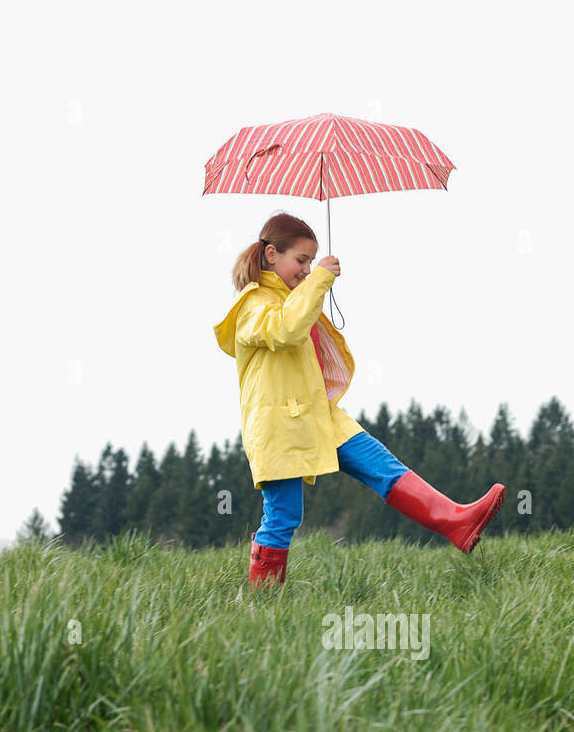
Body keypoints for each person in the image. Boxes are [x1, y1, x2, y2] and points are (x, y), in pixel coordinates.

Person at [213, 212, 505, 586]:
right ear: (271, 255)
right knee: (284, 514)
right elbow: (285, 330)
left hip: (317, 416)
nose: (306, 269)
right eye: (300, 260)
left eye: (310, 262)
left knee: (381, 464)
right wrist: (319, 280)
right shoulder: (253, 304)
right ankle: (262, 601)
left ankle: (457, 522)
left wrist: (312, 286)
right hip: (278, 427)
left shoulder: (293, 297)